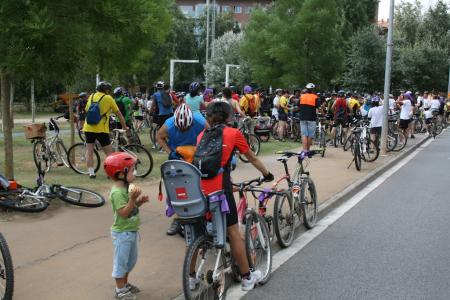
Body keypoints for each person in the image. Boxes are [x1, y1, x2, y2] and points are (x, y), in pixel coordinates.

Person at [197, 101, 274, 291]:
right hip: (221, 189)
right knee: (233, 231)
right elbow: (252, 157)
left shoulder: (201, 135)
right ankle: (247, 278)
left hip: (200, 188)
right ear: (229, 116)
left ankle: (192, 275)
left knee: (205, 227)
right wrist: (266, 174)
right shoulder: (233, 134)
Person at [156, 103, 208, 235]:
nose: (184, 130)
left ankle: (203, 214)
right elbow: (159, 137)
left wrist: (203, 150)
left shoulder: (200, 121)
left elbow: (210, 135)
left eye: (187, 128)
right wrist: (169, 152)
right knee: (177, 188)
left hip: (195, 155)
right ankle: (177, 219)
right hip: (177, 156)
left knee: (199, 185)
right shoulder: (169, 125)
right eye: (181, 128)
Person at [104, 152, 149, 300]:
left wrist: (138, 202)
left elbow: (131, 208)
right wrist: (132, 199)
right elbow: (123, 213)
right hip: (122, 234)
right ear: (120, 174)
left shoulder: (126, 188)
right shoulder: (117, 193)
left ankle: (125, 283)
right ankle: (120, 290)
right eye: (131, 169)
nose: (134, 172)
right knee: (121, 262)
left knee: (130, 261)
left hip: (131, 232)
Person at [83, 81, 127, 179]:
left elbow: (87, 110)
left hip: (88, 127)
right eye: (108, 90)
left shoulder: (91, 96)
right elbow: (118, 113)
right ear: (105, 90)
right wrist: (124, 127)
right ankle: (110, 172)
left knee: (89, 150)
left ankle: (91, 173)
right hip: (101, 129)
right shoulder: (108, 98)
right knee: (109, 152)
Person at [299, 83, 319, 151]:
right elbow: (318, 108)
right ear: (313, 90)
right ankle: (308, 150)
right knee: (310, 135)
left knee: (304, 135)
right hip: (312, 118)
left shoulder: (302, 96)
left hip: (303, 118)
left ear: (306, 89)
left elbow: (298, 105)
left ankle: (304, 150)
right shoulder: (315, 97)